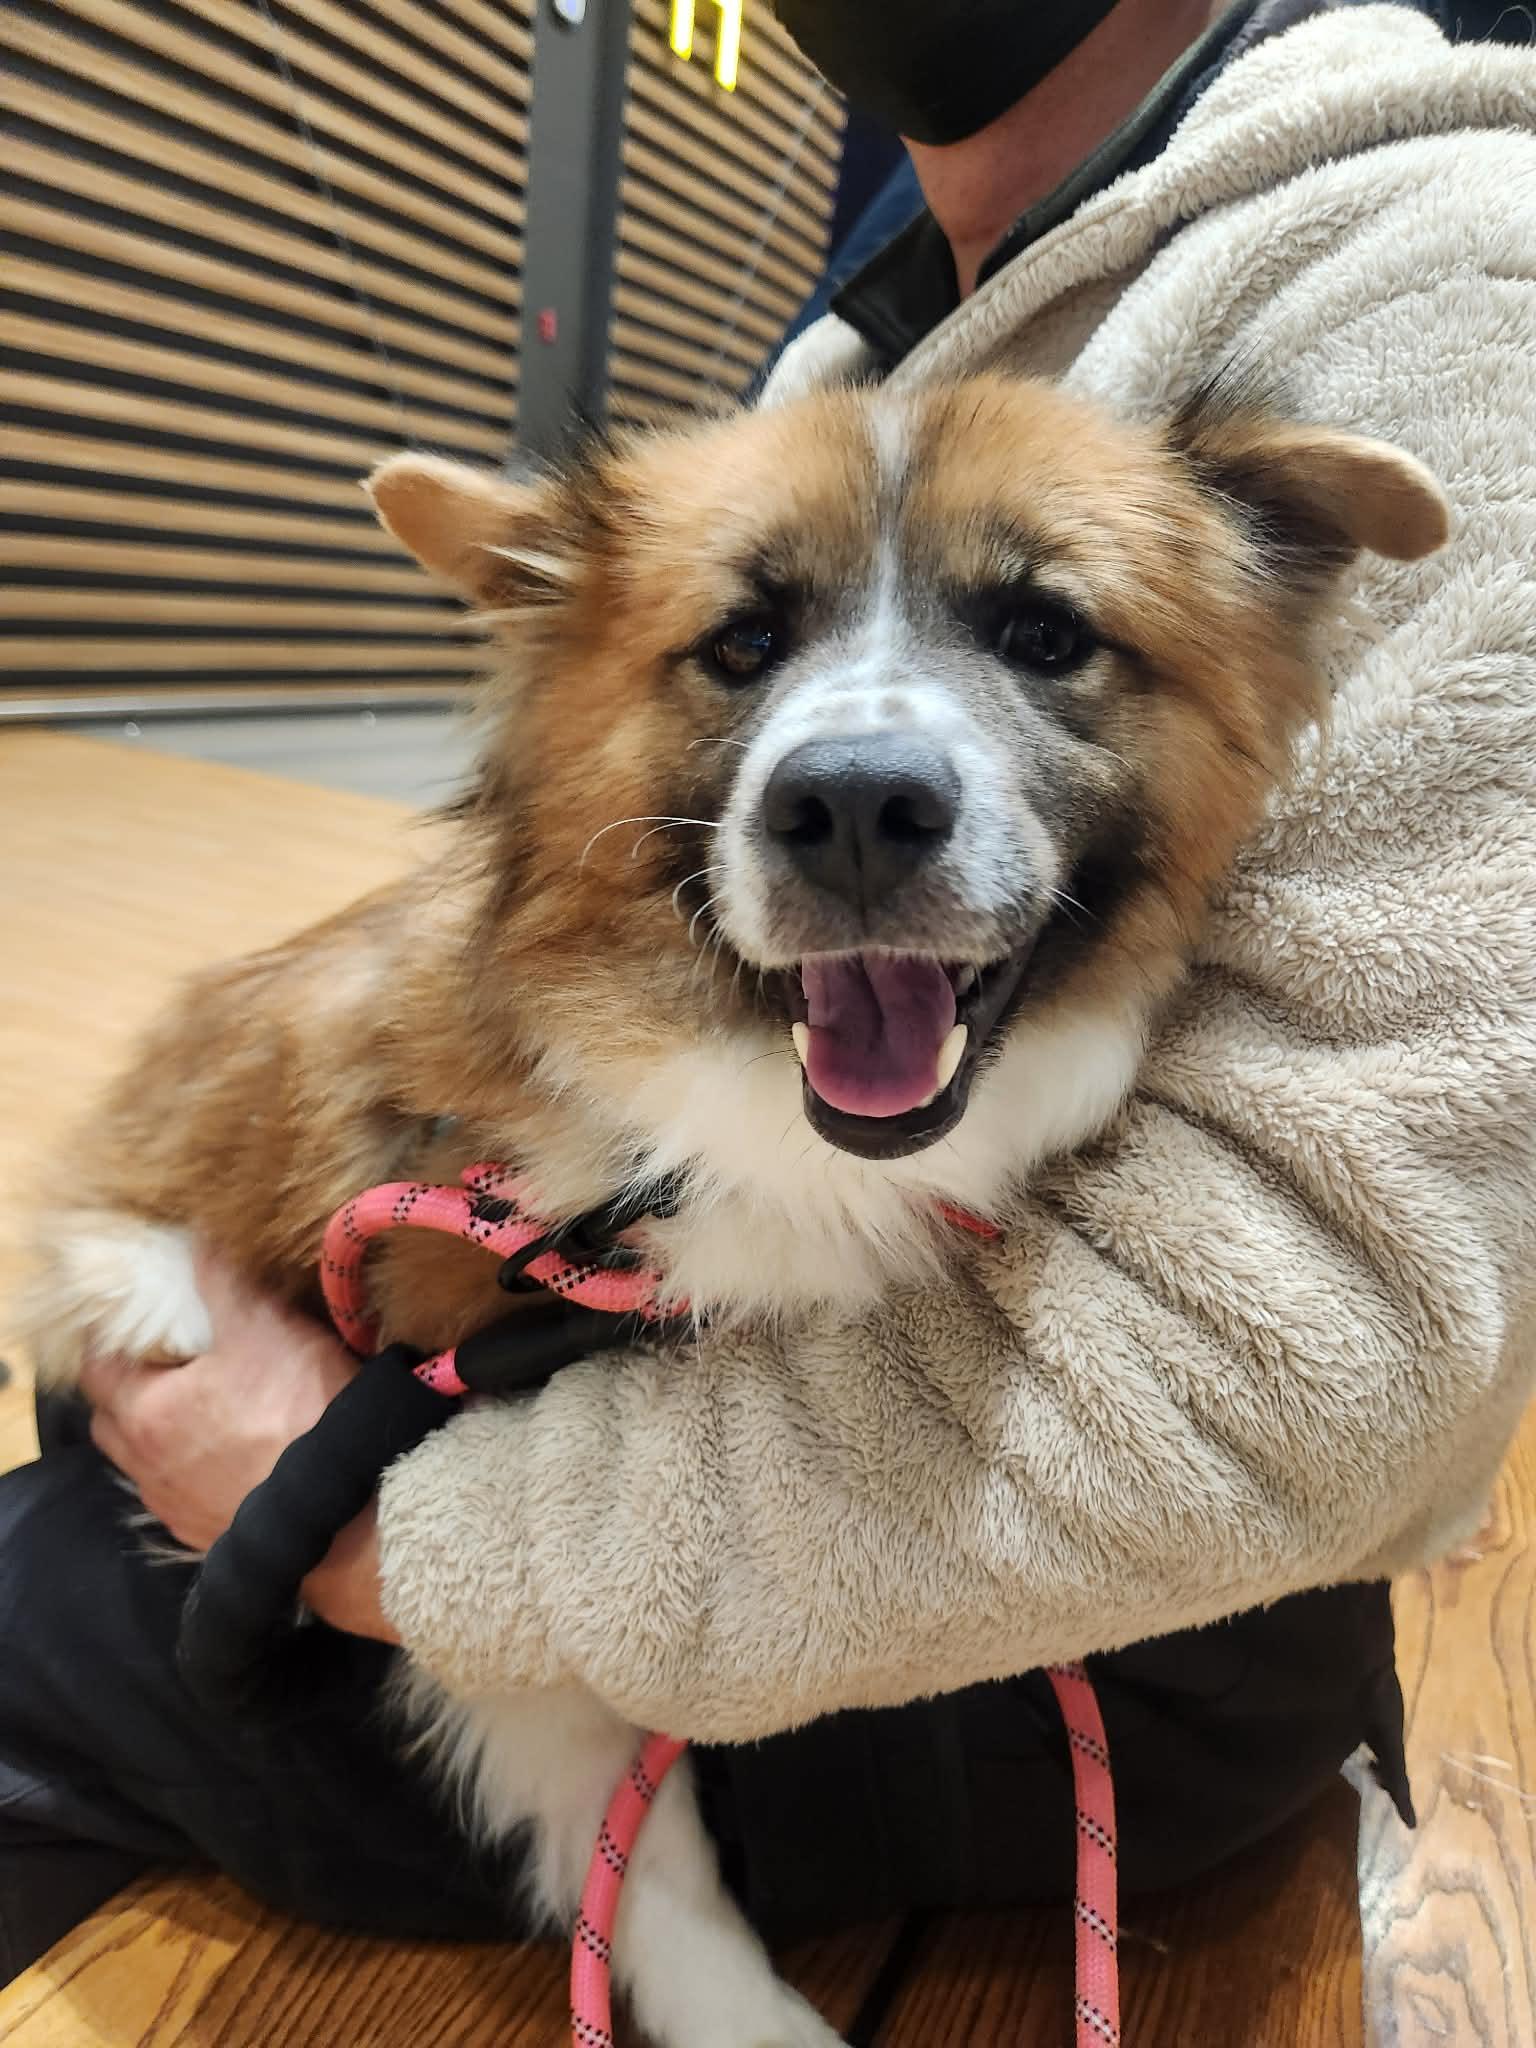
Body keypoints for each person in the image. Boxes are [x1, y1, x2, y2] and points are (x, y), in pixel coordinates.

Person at [4, 0, 1535, 1994]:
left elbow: (1332, 1342)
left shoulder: (1453, 274)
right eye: (752, 644)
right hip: (759, 1431)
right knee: (82, 1434)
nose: (862, 770)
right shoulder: (881, 329)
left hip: (1090, 1594)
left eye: (1040, 631)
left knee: (33, 1626)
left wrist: (378, 1542)